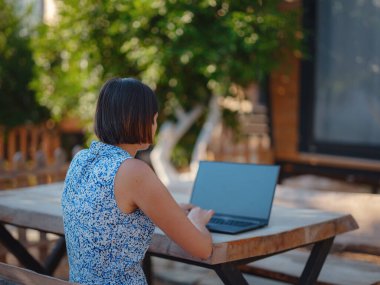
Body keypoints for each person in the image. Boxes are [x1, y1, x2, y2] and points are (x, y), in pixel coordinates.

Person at [61, 78, 214, 285]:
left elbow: (111, 216)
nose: (155, 126)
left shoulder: (81, 159)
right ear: (138, 120)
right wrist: (196, 220)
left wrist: (171, 211)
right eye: (154, 119)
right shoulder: (133, 171)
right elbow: (202, 249)